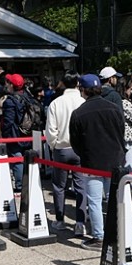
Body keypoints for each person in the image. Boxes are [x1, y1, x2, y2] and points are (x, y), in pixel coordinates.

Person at [69, 73, 125, 249]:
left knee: (94, 201)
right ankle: (118, 232)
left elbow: (75, 142)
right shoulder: (114, 108)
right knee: (114, 199)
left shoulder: (79, 113)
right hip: (115, 160)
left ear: (83, 90)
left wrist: (84, 155)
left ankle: (99, 236)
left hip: (92, 162)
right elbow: (121, 132)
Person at [45, 72, 87, 234]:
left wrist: (54, 144)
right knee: (80, 186)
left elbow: (51, 130)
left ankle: (60, 219)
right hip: (79, 150)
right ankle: (80, 223)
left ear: (62, 83)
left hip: (61, 148)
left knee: (59, 186)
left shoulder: (56, 103)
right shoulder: (82, 101)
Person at [0, 73, 29, 192]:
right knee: (25, 159)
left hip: (15, 134)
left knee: (17, 159)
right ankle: (26, 183)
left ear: (12, 85)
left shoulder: (10, 101)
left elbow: (8, 121)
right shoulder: (27, 96)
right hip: (27, 132)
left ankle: (20, 186)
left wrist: (4, 135)